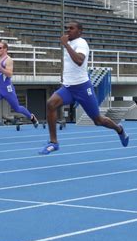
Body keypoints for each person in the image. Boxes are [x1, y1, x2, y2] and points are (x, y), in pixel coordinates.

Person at [39, 21, 129, 154]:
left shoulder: (81, 43)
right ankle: (54, 142)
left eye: (71, 28)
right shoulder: (69, 43)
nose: (68, 30)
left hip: (82, 88)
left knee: (98, 120)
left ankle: (119, 129)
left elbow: (79, 61)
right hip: (68, 88)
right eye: (67, 28)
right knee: (51, 104)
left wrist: (65, 45)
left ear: (80, 31)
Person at [0, 41, 39, 133]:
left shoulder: (8, 60)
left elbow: (9, 74)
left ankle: (31, 117)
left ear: (5, 49)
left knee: (17, 108)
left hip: (7, 90)